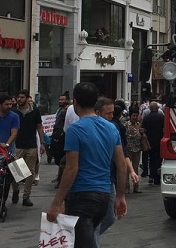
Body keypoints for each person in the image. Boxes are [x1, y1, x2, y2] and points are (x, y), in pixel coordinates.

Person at [47, 82, 127, 248]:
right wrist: (120, 196)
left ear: (75, 102)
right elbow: (121, 165)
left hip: (81, 196)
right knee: (87, 240)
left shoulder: (75, 130)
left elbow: (71, 168)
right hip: (104, 195)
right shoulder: (111, 128)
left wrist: (56, 202)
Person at [93, 97, 138, 248]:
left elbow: (122, 155)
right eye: (108, 113)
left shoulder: (113, 127)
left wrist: (131, 171)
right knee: (96, 220)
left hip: (109, 179)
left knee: (109, 218)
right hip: (94, 182)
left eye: (113, 113)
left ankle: (89, 237)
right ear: (97, 112)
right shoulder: (85, 128)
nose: (111, 116)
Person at [11, 89, 45, 207]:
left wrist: (42, 143)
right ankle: (16, 190)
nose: (19, 100)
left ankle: (26, 196)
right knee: (16, 170)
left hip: (31, 145)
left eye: (21, 97)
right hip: (18, 145)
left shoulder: (34, 111)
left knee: (30, 172)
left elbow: (39, 127)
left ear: (26, 98)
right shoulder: (14, 111)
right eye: (18, 97)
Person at [142, 102, 164, 185]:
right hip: (159, 141)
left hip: (149, 141)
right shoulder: (161, 117)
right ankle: (157, 179)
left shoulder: (147, 117)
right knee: (158, 160)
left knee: (151, 160)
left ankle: (151, 176)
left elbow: (143, 129)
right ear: (157, 108)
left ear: (150, 109)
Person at [124, 108, 143, 193]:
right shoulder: (126, 125)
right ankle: (126, 186)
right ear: (130, 116)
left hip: (137, 149)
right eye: (133, 115)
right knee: (127, 169)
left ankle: (136, 186)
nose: (135, 117)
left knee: (135, 168)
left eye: (136, 115)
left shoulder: (139, 125)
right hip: (128, 149)